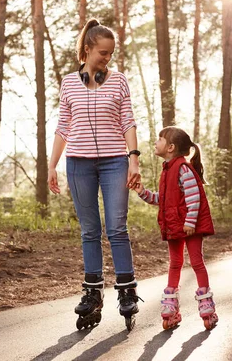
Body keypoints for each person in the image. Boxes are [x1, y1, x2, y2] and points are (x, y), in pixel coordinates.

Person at [47, 18, 142, 331]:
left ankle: (127, 291)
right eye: (102, 52)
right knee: (89, 229)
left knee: (116, 226)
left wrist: (133, 160)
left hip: (115, 160)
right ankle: (92, 294)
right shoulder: (69, 83)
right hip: (78, 164)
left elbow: (128, 121)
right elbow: (63, 126)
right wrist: (52, 165)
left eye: (111, 53)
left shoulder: (119, 81)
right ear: (87, 50)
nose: (107, 58)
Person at [131, 126, 218, 330]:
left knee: (197, 261)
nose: (155, 142)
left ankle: (206, 304)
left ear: (170, 147)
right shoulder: (167, 170)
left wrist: (190, 221)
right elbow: (164, 200)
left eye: (159, 139)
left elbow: (194, 196)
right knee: (175, 263)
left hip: (189, 225)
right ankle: (171, 304)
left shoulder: (183, 168)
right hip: (174, 224)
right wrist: (143, 192)